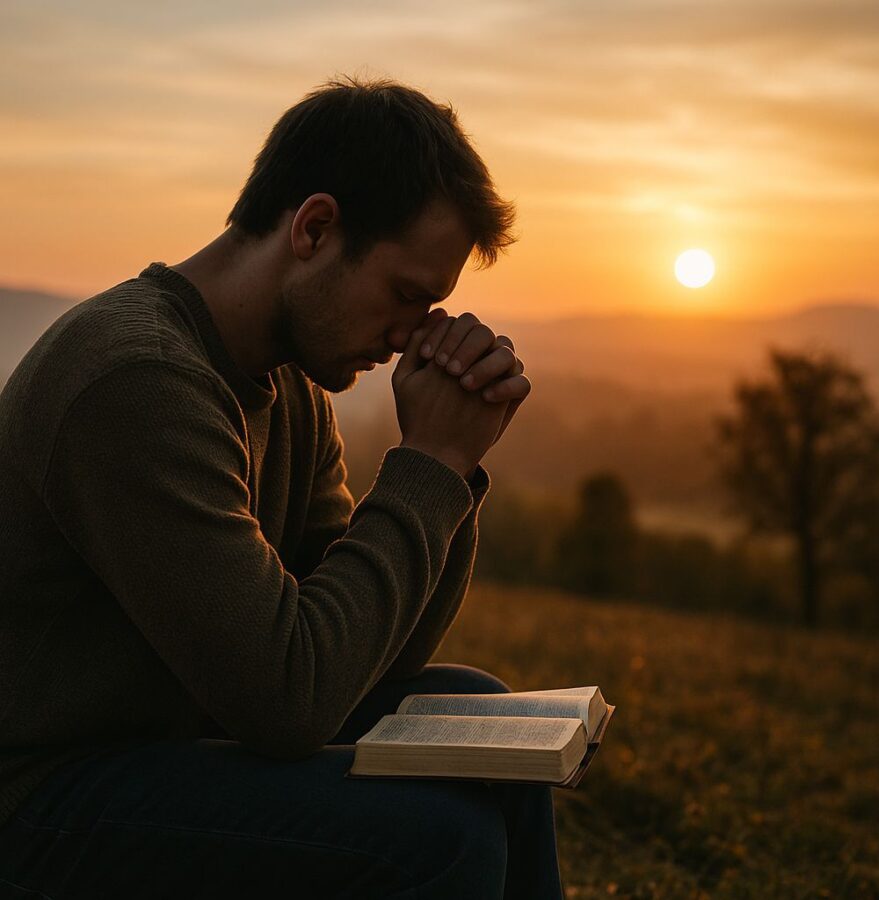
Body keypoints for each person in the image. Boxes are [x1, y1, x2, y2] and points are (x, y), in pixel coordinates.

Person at [0, 75, 566, 898]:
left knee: (482, 717)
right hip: (41, 797)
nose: (410, 335)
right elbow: (290, 700)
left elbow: (367, 655)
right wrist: (431, 466)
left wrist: (451, 475)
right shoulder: (138, 379)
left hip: (171, 744)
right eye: (407, 295)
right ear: (315, 228)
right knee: (439, 839)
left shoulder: (291, 385)